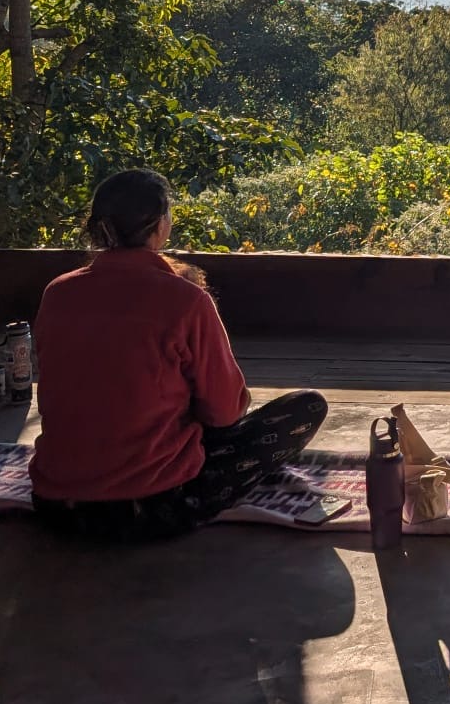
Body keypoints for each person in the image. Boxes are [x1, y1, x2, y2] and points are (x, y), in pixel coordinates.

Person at [29, 169, 328, 543]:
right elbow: (225, 413)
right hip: (149, 509)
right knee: (305, 408)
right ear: (159, 225)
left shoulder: (57, 293)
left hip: (56, 507)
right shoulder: (186, 300)